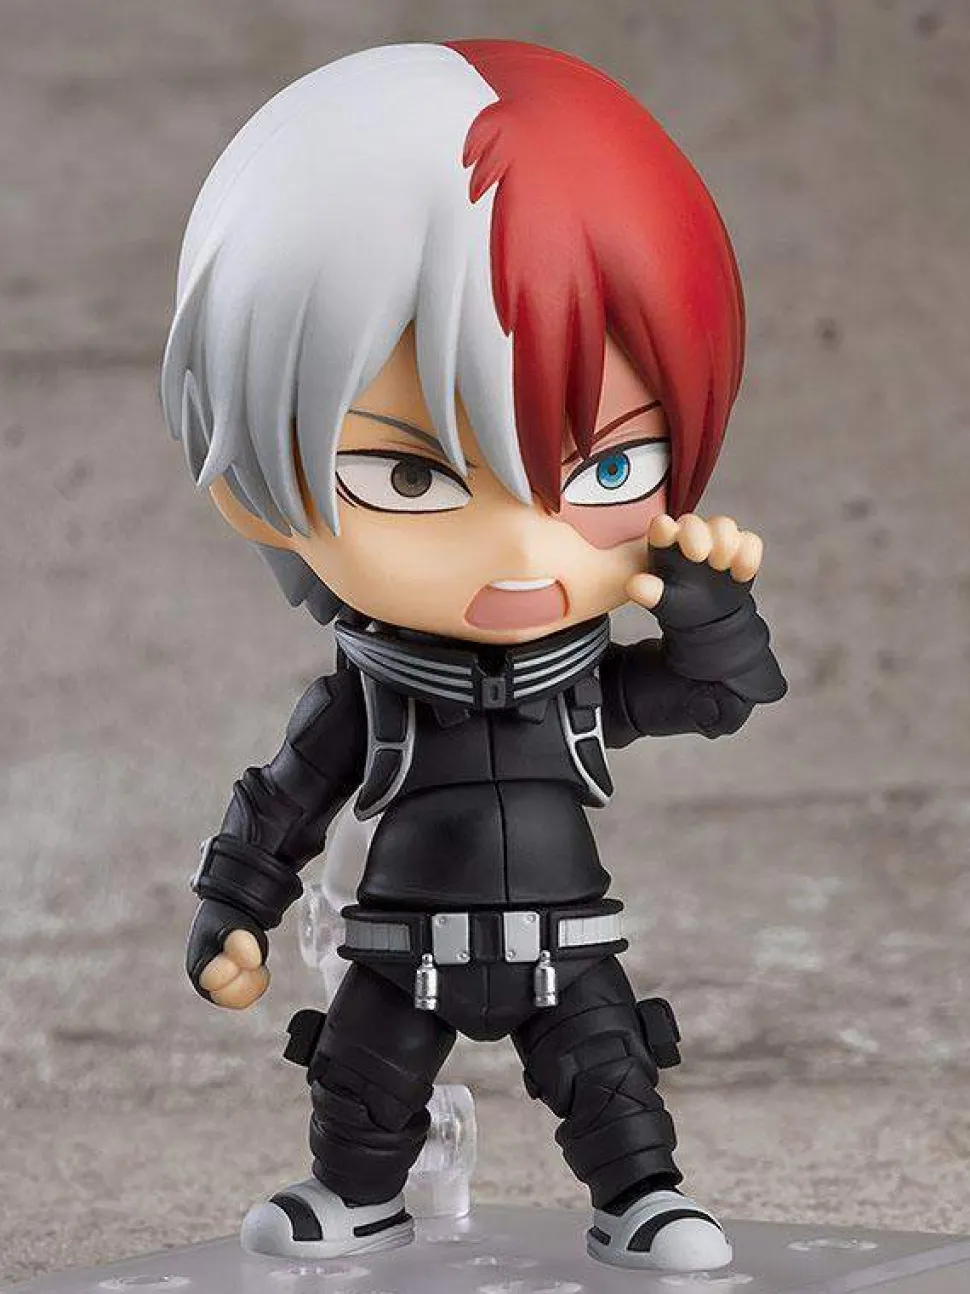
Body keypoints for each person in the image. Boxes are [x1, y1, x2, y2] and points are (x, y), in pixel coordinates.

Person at [160, 39, 786, 1273]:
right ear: (253, 488)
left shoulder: (581, 686)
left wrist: (706, 608)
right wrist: (232, 909)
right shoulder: (368, 700)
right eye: (410, 476)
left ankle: (640, 1199)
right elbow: (283, 801)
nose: (519, 548)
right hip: (403, 949)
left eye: (604, 466)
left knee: (612, 1084)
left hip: (567, 940)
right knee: (359, 1089)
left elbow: (717, 696)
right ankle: (357, 1197)